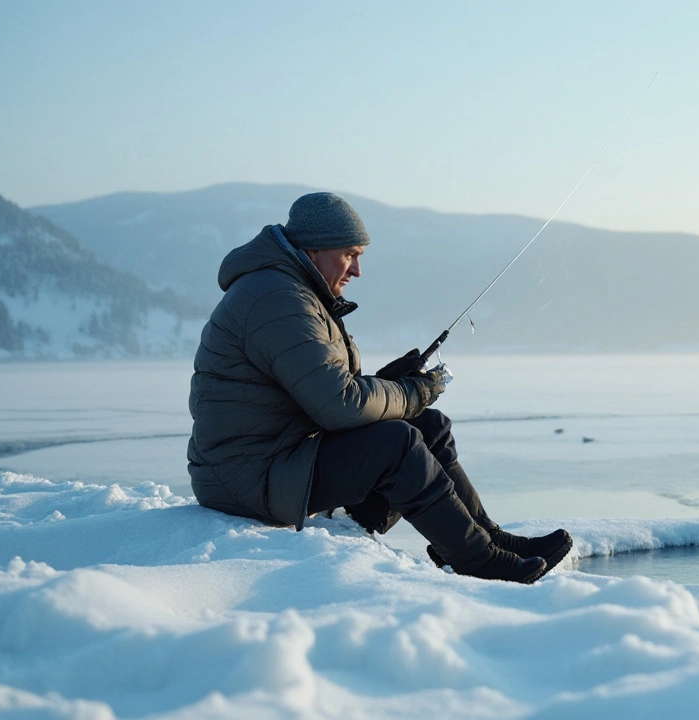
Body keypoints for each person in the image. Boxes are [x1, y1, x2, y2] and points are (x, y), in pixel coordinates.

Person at [187, 192, 571, 583]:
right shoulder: (276, 299)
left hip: (279, 457)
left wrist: (391, 384)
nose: (356, 271)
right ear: (314, 248)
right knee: (396, 444)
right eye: (350, 254)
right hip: (245, 479)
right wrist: (409, 392)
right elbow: (337, 405)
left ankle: (488, 540)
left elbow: (322, 389)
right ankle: (478, 561)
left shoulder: (292, 290)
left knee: (429, 426)